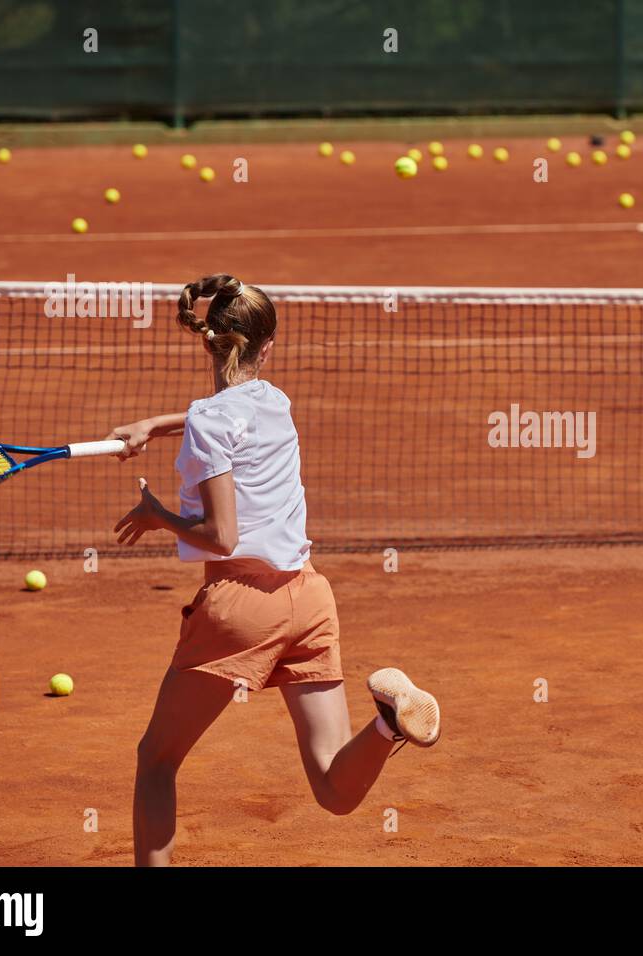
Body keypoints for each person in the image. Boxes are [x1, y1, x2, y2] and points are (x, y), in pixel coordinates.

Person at [108, 273, 441, 866]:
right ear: (266, 349)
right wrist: (153, 426)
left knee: (156, 760)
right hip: (309, 600)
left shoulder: (210, 421)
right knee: (334, 790)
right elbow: (222, 418)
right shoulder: (275, 400)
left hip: (240, 608)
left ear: (208, 343)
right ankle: (389, 724)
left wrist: (159, 516)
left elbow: (221, 536)